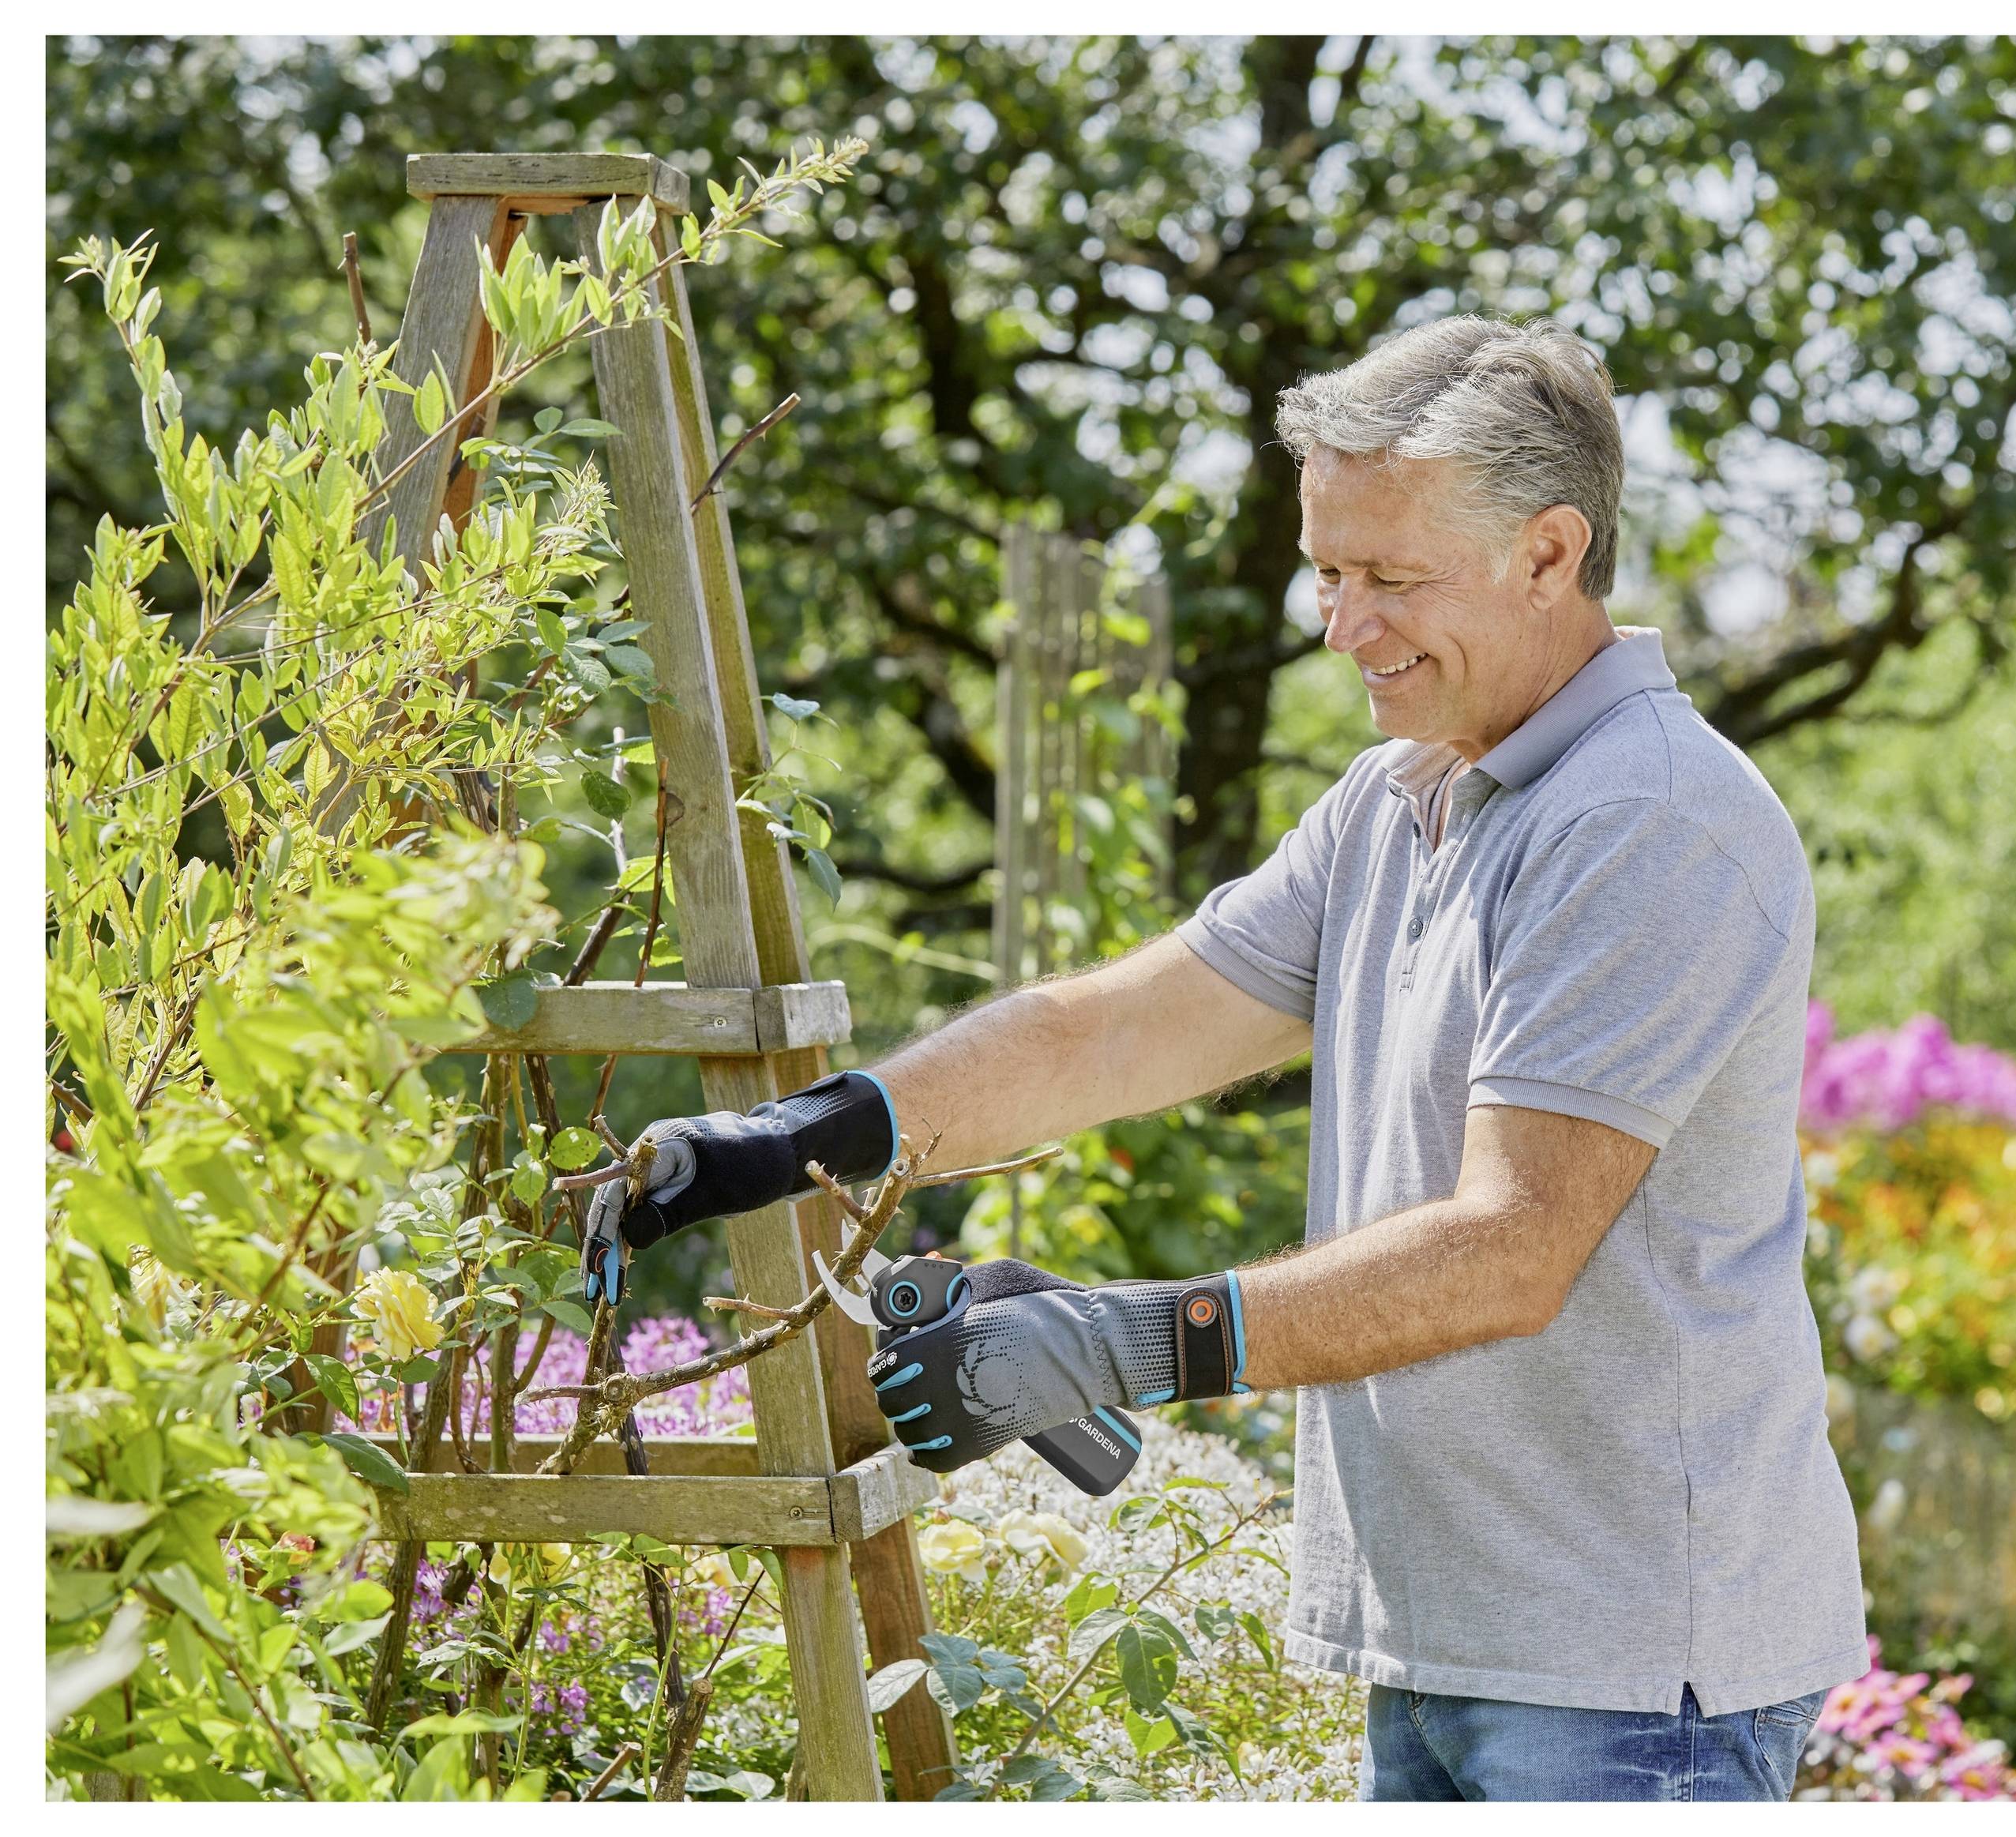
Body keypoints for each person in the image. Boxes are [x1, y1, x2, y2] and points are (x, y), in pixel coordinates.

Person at [581, 315, 1865, 1801]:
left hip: (1633, 1674)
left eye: (1393, 578)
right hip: (1457, 1641)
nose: (1342, 624)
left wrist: (1120, 1343)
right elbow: (1114, 1027)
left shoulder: (1645, 819)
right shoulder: (1405, 796)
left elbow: (1513, 1246)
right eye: (1330, 571)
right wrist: (805, 1135)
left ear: (1549, 551)